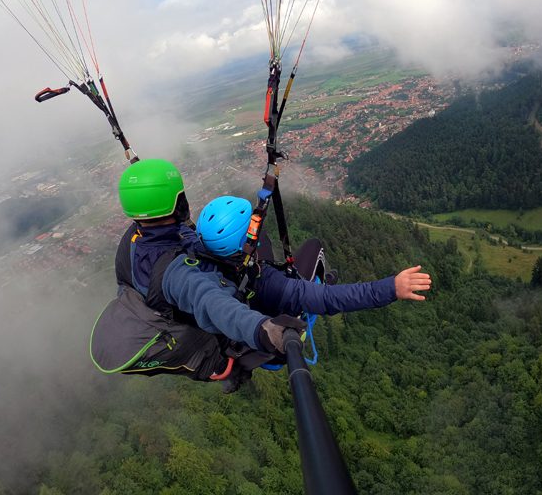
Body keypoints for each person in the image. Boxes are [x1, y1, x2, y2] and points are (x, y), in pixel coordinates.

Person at [90, 159, 432, 390]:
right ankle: (313, 276)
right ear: (181, 206)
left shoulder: (136, 241)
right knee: (312, 255)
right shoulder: (193, 276)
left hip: (183, 300)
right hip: (240, 323)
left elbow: (172, 228)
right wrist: (391, 287)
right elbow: (218, 306)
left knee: (266, 252)